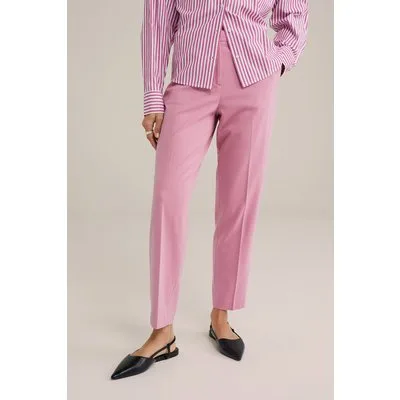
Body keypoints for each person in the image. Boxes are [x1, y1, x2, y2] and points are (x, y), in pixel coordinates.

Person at [111, 0, 308, 379]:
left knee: (239, 200)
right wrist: (153, 96)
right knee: (168, 198)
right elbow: (157, 23)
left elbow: (294, 12)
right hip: (189, 83)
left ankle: (222, 314)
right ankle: (162, 330)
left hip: (253, 81)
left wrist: (279, 60)